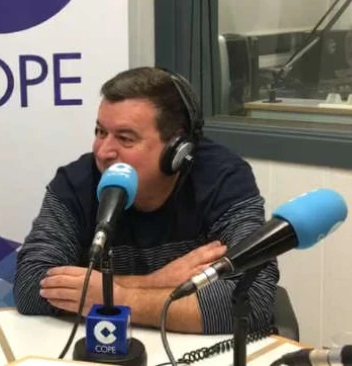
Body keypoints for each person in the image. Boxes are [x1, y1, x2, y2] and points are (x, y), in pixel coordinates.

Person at [14, 66, 279, 335]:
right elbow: (30, 287)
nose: (103, 152)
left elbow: (252, 300)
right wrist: (156, 281)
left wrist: (119, 297)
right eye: (100, 132)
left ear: (177, 149)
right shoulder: (76, 183)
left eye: (125, 138)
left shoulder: (223, 180)